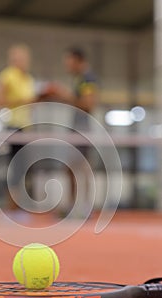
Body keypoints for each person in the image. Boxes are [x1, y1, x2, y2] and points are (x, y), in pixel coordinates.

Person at [49, 47, 98, 217]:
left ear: (78, 61)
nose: (67, 66)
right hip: (75, 130)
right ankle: (75, 207)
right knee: (71, 169)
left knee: (81, 170)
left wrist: (65, 95)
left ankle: (84, 208)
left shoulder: (87, 79)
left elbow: (88, 105)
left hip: (82, 132)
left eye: (69, 62)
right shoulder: (79, 79)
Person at [0, 44, 37, 211]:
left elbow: (30, 104)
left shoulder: (29, 79)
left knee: (23, 167)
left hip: (26, 128)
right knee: (14, 166)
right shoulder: (7, 76)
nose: (22, 62)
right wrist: (21, 102)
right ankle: (10, 204)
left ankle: (17, 203)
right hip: (12, 127)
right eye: (18, 58)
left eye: (24, 58)